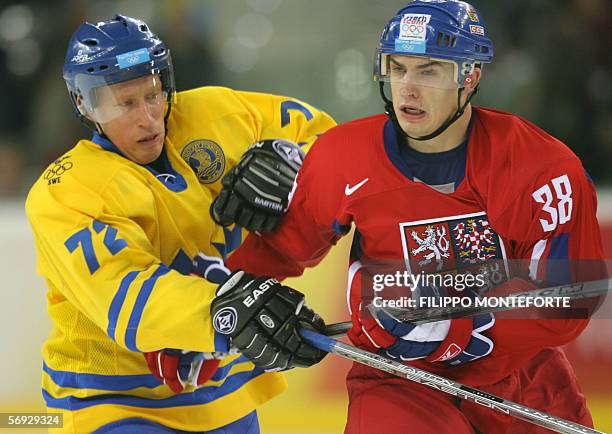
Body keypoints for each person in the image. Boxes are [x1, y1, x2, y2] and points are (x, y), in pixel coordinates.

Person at [208, 1, 607, 433]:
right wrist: (224, 305)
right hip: (398, 382)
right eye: (397, 69)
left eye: (428, 71)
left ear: (469, 76)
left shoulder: (543, 168)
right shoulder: (342, 157)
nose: (407, 88)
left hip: (525, 382)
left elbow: (568, 298)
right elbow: (278, 253)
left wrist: (458, 323)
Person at [25, 14, 335, 434]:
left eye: (152, 95)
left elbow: (330, 144)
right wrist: (225, 312)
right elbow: (126, 296)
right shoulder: (67, 191)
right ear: (85, 104)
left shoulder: (218, 114)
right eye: (122, 103)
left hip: (222, 389)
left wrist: (296, 167)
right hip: (111, 399)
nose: (147, 119)